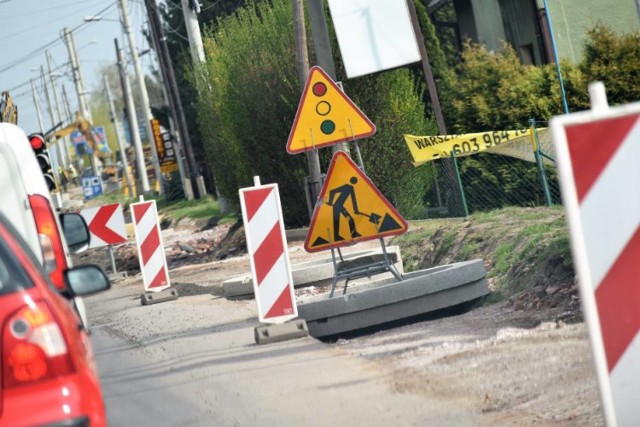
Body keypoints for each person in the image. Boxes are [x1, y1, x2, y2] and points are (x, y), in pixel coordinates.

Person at [326, 176, 362, 242]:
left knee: (339, 221)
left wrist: (355, 209)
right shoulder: (347, 187)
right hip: (337, 206)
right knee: (347, 220)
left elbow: (353, 200)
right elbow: (332, 191)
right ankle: (351, 234)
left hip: (339, 206)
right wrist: (330, 202)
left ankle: (348, 235)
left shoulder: (350, 187)